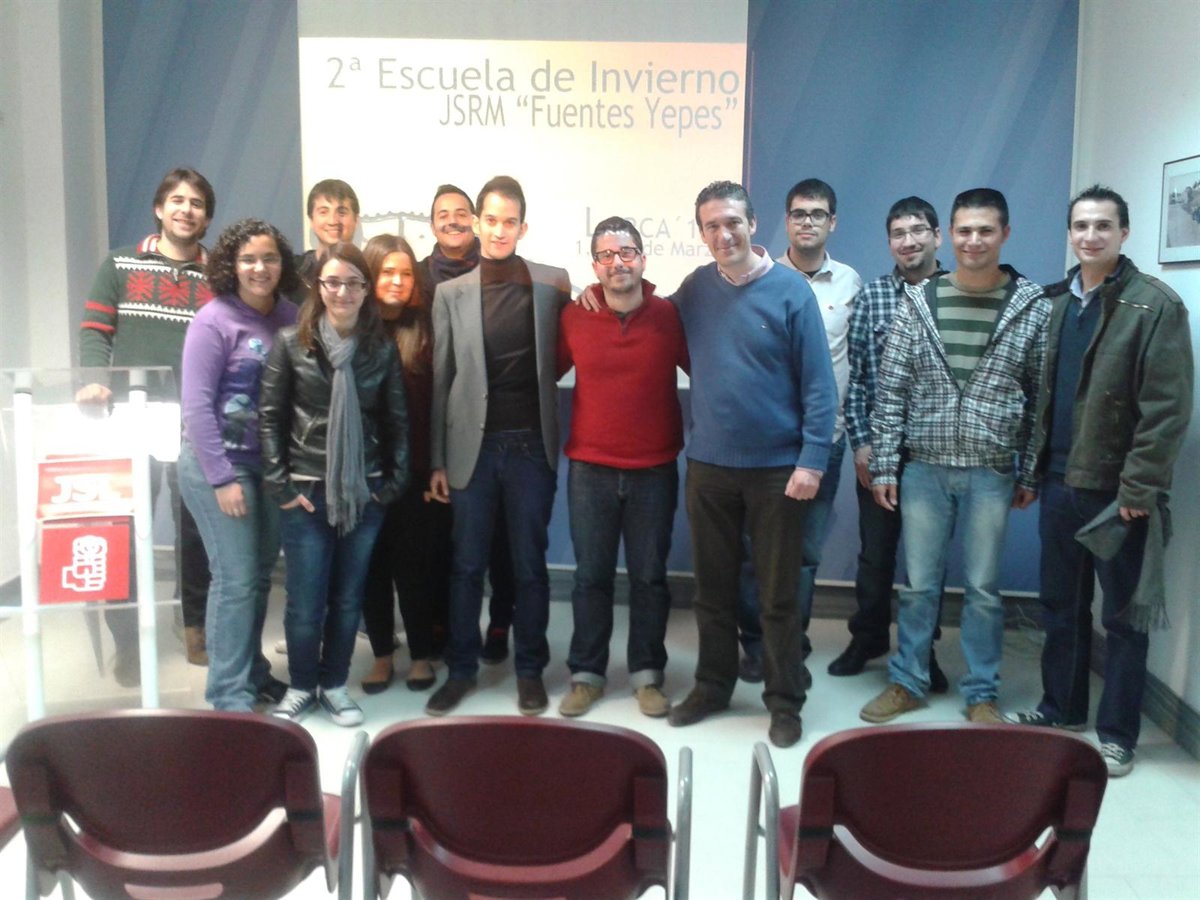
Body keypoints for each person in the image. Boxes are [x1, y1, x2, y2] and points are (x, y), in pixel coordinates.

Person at [1005, 185, 1193, 777]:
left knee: (1123, 620)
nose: (1091, 236)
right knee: (1061, 607)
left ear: (1124, 233)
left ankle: (1117, 735)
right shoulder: (1057, 302)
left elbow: (1166, 410)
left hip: (1117, 495)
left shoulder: (1154, 306)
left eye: (1103, 226)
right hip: (1060, 483)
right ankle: (1060, 709)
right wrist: (1033, 471)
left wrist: (1139, 489)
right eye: (1081, 226)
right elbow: (1040, 395)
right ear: (1070, 233)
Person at [861, 188, 1048, 725]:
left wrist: (1030, 469)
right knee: (919, 586)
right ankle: (908, 681)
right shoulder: (920, 301)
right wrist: (886, 464)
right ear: (950, 235)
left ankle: (982, 693)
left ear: (1004, 234)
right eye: (965, 230)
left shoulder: (1032, 306)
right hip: (925, 466)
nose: (974, 241)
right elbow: (891, 389)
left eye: (985, 230)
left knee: (984, 591)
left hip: (992, 468)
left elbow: (1041, 396)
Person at [667, 180, 837, 749]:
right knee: (711, 592)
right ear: (702, 233)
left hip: (777, 471)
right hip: (710, 466)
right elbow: (653, 322)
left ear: (753, 224)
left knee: (777, 596)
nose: (724, 234)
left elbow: (820, 385)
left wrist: (812, 461)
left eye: (732, 222)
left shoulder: (791, 291)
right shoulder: (696, 288)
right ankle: (713, 687)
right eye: (712, 226)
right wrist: (596, 294)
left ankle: (785, 701)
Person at [424, 175, 571, 717]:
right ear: (477, 223)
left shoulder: (553, 284)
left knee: (530, 567)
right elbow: (442, 379)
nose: (499, 230)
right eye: (491, 219)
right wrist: (437, 459)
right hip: (473, 451)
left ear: (523, 227)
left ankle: (529, 670)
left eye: (510, 221)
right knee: (466, 567)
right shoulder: (450, 293)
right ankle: (462, 671)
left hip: (531, 447)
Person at [260, 242, 409, 727]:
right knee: (305, 601)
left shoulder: (380, 350)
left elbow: (396, 420)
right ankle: (302, 685)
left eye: (353, 283)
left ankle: (335, 684)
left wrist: (390, 486)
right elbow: (270, 418)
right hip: (306, 490)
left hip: (363, 492)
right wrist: (282, 486)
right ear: (318, 288)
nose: (343, 292)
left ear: (366, 290)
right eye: (333, 282)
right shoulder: (290, 343)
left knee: (348, 599)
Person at [77, 166, 216, 682]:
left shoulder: (219, 276)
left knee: (194, 529)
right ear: (159, 208)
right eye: (177, 200)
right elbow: (96, 330)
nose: (186, 210)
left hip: (193, 421)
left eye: (197, 203)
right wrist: (95, 383)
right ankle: (129, 641)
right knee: (124, 528)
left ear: (206, 217)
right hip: (130, 418)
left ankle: (193, 624)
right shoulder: (119, 264)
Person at [556, 217, 689, 719]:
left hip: (654, 469)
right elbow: (544, 370)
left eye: (627, 252)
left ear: (643, 259)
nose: (618, 262)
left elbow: (708, 369)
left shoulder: (669, 316)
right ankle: (587, 675)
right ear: (595, 265)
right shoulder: (575, 316)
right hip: (589, 469)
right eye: (607, 255)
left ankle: (647, 675)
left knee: (649, 578)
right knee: (590, 577)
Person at [736, 178, 861, 683]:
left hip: (823, 442)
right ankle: (755, 647)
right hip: (765, 444)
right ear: (785, 221)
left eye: (817, 214)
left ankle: (792, 648)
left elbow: (859, 365)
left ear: (833, 222)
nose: (807, 221)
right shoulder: (759, 277)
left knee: (805, 556)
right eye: (798, 213)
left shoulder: (851, 284)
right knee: (754, 553)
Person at [177, 218, 298, 711]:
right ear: (231, 265)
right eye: (248, 259)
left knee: (260, 575)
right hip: (218, 466)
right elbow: (196, 408)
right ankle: (228, 695)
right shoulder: (214, 320)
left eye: (269, 258)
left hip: (269, 467)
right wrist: (222, 478)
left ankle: (252, 671)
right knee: (235, 578)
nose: (259, 268)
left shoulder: (291, 316)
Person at [831, 196, 949, 691]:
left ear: (937, 236)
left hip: (938, 455)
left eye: (918, 230)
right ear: (889, 243)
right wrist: (862, 446)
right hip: (881, 452)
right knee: (875, 556)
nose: (908, 241)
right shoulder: (874, 296)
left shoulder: (959, 295)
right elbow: (858, 380)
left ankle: (923, 651)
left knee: (928, 563)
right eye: (898, 233)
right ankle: (869, 638)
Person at [419, 184, 517, 665]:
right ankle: (446, 629)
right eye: (444, 213)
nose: (454, 220)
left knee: (502, 544)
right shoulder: (419, 278)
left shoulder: (507, 272)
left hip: (505, 432)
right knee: (447, 544)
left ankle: (498, 625)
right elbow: (440, 369)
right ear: (432, 223)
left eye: (462, 212)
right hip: (442, 422)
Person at [359, 234, 446, 693]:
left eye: (406, 273)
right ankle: (381, 655)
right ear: (369, 276)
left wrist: (435, 465)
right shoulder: (351, 330)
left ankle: (420, 655)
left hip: (414, 473)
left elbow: (439, 406)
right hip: (363, 474)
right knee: (371, 568)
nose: (397, 281)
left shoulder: (426, 331)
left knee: (416, 568)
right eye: (387, 272)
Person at [296, 179, 360, 290]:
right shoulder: (294, 273)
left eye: (342, 212)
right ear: (311, 219)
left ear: (356, 219)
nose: (333, 221)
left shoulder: (369, 272)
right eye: (323, 212)